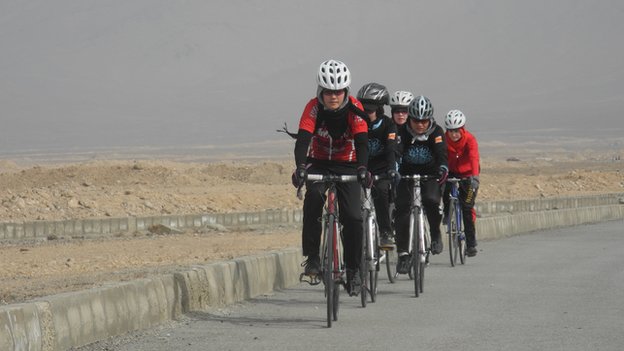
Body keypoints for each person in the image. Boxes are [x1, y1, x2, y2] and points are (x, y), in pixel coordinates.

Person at [291, 59, 372, 296]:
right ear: (321, 91)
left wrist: (363, 168)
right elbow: (303, 139)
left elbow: (363, 142)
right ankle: (313, 257)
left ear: (346, 90)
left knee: (354, 217)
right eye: (328, 92)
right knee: (313, 198)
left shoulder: (355, 108)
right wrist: (300, 167)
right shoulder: (313, 108)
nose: (333, 97)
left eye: (338, 91)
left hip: (348, 164)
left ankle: (355, 269)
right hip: (319, 162)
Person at [394, 95, 448, 274]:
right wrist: (394, 169)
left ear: (429, 119)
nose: (420, 125)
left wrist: (442, 167)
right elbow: (396, 152)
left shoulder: (437, 132)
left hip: (430, 176)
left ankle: (435, 233)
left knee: (432, 200)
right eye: (416, 121)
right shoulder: (401, 132)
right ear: (410, 118)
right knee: (402, 209)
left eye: (424, 121)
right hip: (407, 176)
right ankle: (403, 254)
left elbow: (441, 153)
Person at [356, 82, 400, 248]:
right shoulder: (356, 124)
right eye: (365, 109)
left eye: (371, 109)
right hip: (360, 168)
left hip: (381, 170)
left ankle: (385, 232)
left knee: (381, 192)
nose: (368, 113)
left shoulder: (389, 125)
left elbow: (391, 149)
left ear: (380, 108)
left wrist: (391, 170)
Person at [443, 109, 480, 257]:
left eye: (457, 130)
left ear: (462, 129)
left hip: (469, 174)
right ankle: (447, 212)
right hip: (450, 171)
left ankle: (471, 244)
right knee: (443, 189)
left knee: (467, 206)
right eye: (450, 131)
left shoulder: (470, 139)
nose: (454, 134)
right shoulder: (443, 139)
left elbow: (474, 157)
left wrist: (475, 177)